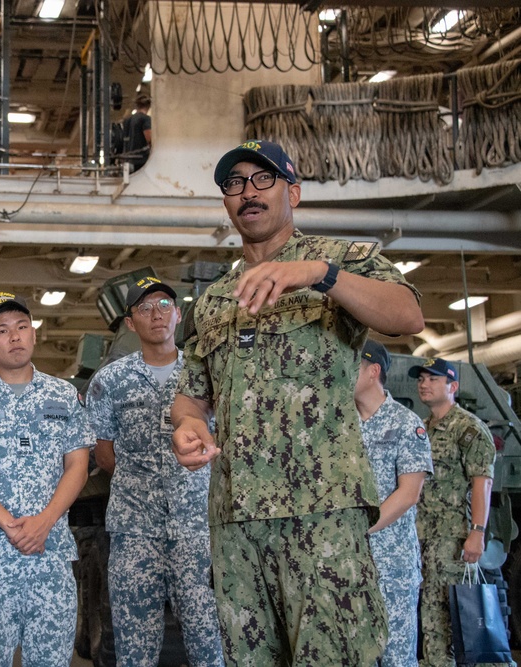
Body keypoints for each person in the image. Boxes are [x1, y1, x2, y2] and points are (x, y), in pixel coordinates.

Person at [171, 140, 424, 665]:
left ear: (294, 192)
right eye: (234, 183)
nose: (248, 192)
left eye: (262, 179)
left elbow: (407, 316)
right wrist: (187, 427)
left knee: (334, 656)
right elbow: (191, 397)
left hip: (323, 512)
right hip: (236, 519)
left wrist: (319, 275)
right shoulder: (216, 299)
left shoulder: (341, 261)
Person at [0, 291, 93, 667]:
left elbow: (78, 466)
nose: (15, 336)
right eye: (3, 330)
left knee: (52, 660)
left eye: (22, 327)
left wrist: (43, 523)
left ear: (34, 334)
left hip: (50, 553)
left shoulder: (64, 396)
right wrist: (11, 525)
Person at [86, 276, 224, 667]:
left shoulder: (205, 374)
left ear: (178, 314)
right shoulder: (110, 382)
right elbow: (104, 453)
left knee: (207, 640)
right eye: (144, 309)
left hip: (196, 528)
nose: (156, 314)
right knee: (134, 644)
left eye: (164, 305)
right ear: (131, 323)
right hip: (135, 532)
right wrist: (142, 487)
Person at [410, 356, 498, 667]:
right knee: (431, 612)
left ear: (453, 387)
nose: (424, 383)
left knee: (456, 614)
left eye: (433, 379)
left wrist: (477, 532)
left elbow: (482, 483)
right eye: (421, 378)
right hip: (423, 536)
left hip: (453, 538)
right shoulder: (421, 429)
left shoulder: (468, 428)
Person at [354, 340, 432, 667]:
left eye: (352, 365)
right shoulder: (339, 423)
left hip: (392, 563)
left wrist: (362, 529)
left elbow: (409, 493)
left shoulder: (405, 423)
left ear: (374, 372)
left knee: (396, 657)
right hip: (350, 563)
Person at [122, 94, 152, 172]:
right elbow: (149, 139)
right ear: (149, 106)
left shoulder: (127, 120)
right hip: (140, 161)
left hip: (127, 160)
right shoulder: (145, 119)